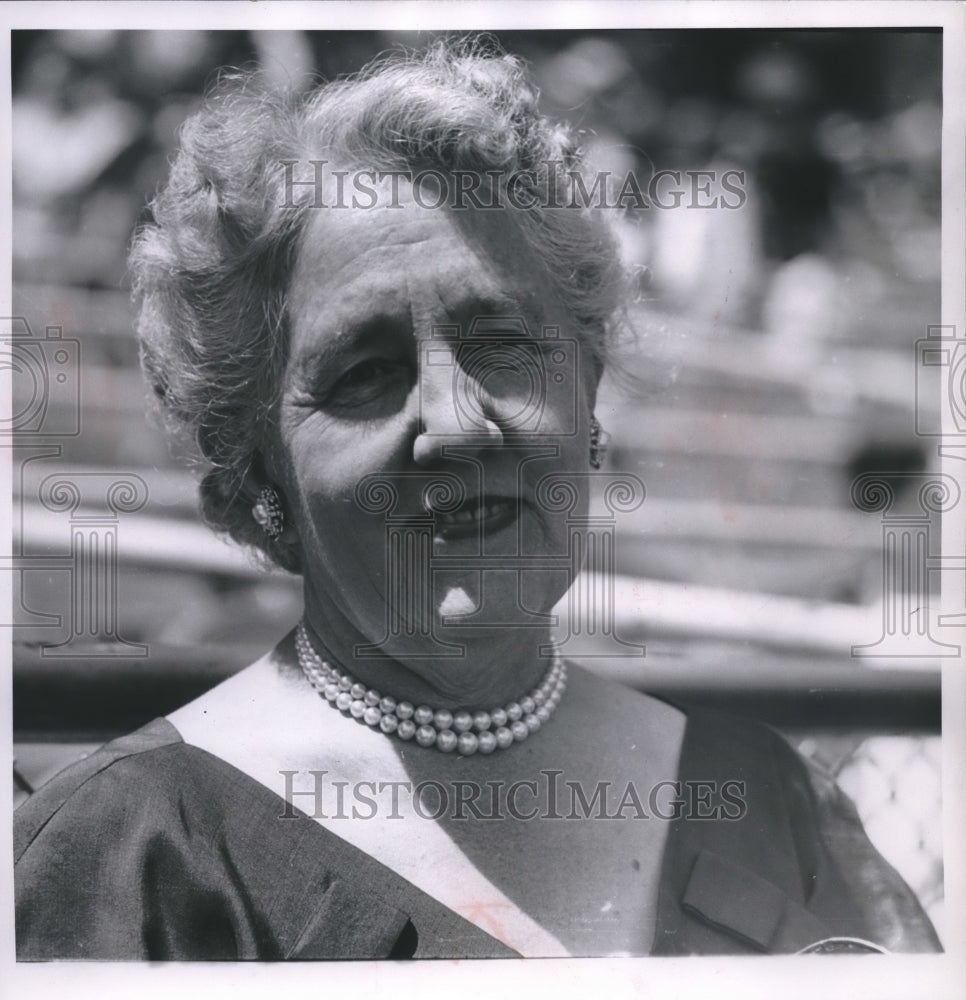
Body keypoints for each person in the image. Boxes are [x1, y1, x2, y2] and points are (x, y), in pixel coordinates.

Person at [14, 40, 940, 960]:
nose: (456, 428)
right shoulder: (133, 860)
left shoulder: (771, 803)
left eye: (501, 344)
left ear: (588, 401)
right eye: (365, 372)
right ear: (258, 487)